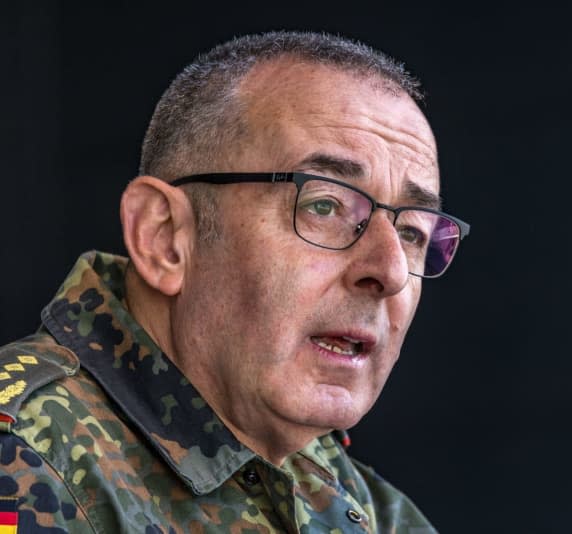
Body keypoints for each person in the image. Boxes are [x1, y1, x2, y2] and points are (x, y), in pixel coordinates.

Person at [0, 31, 469, 533]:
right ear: (165, 238)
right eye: (325, 206)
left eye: (412, 232)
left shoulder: (363, 503)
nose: (391, 271)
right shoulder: (22, 459)